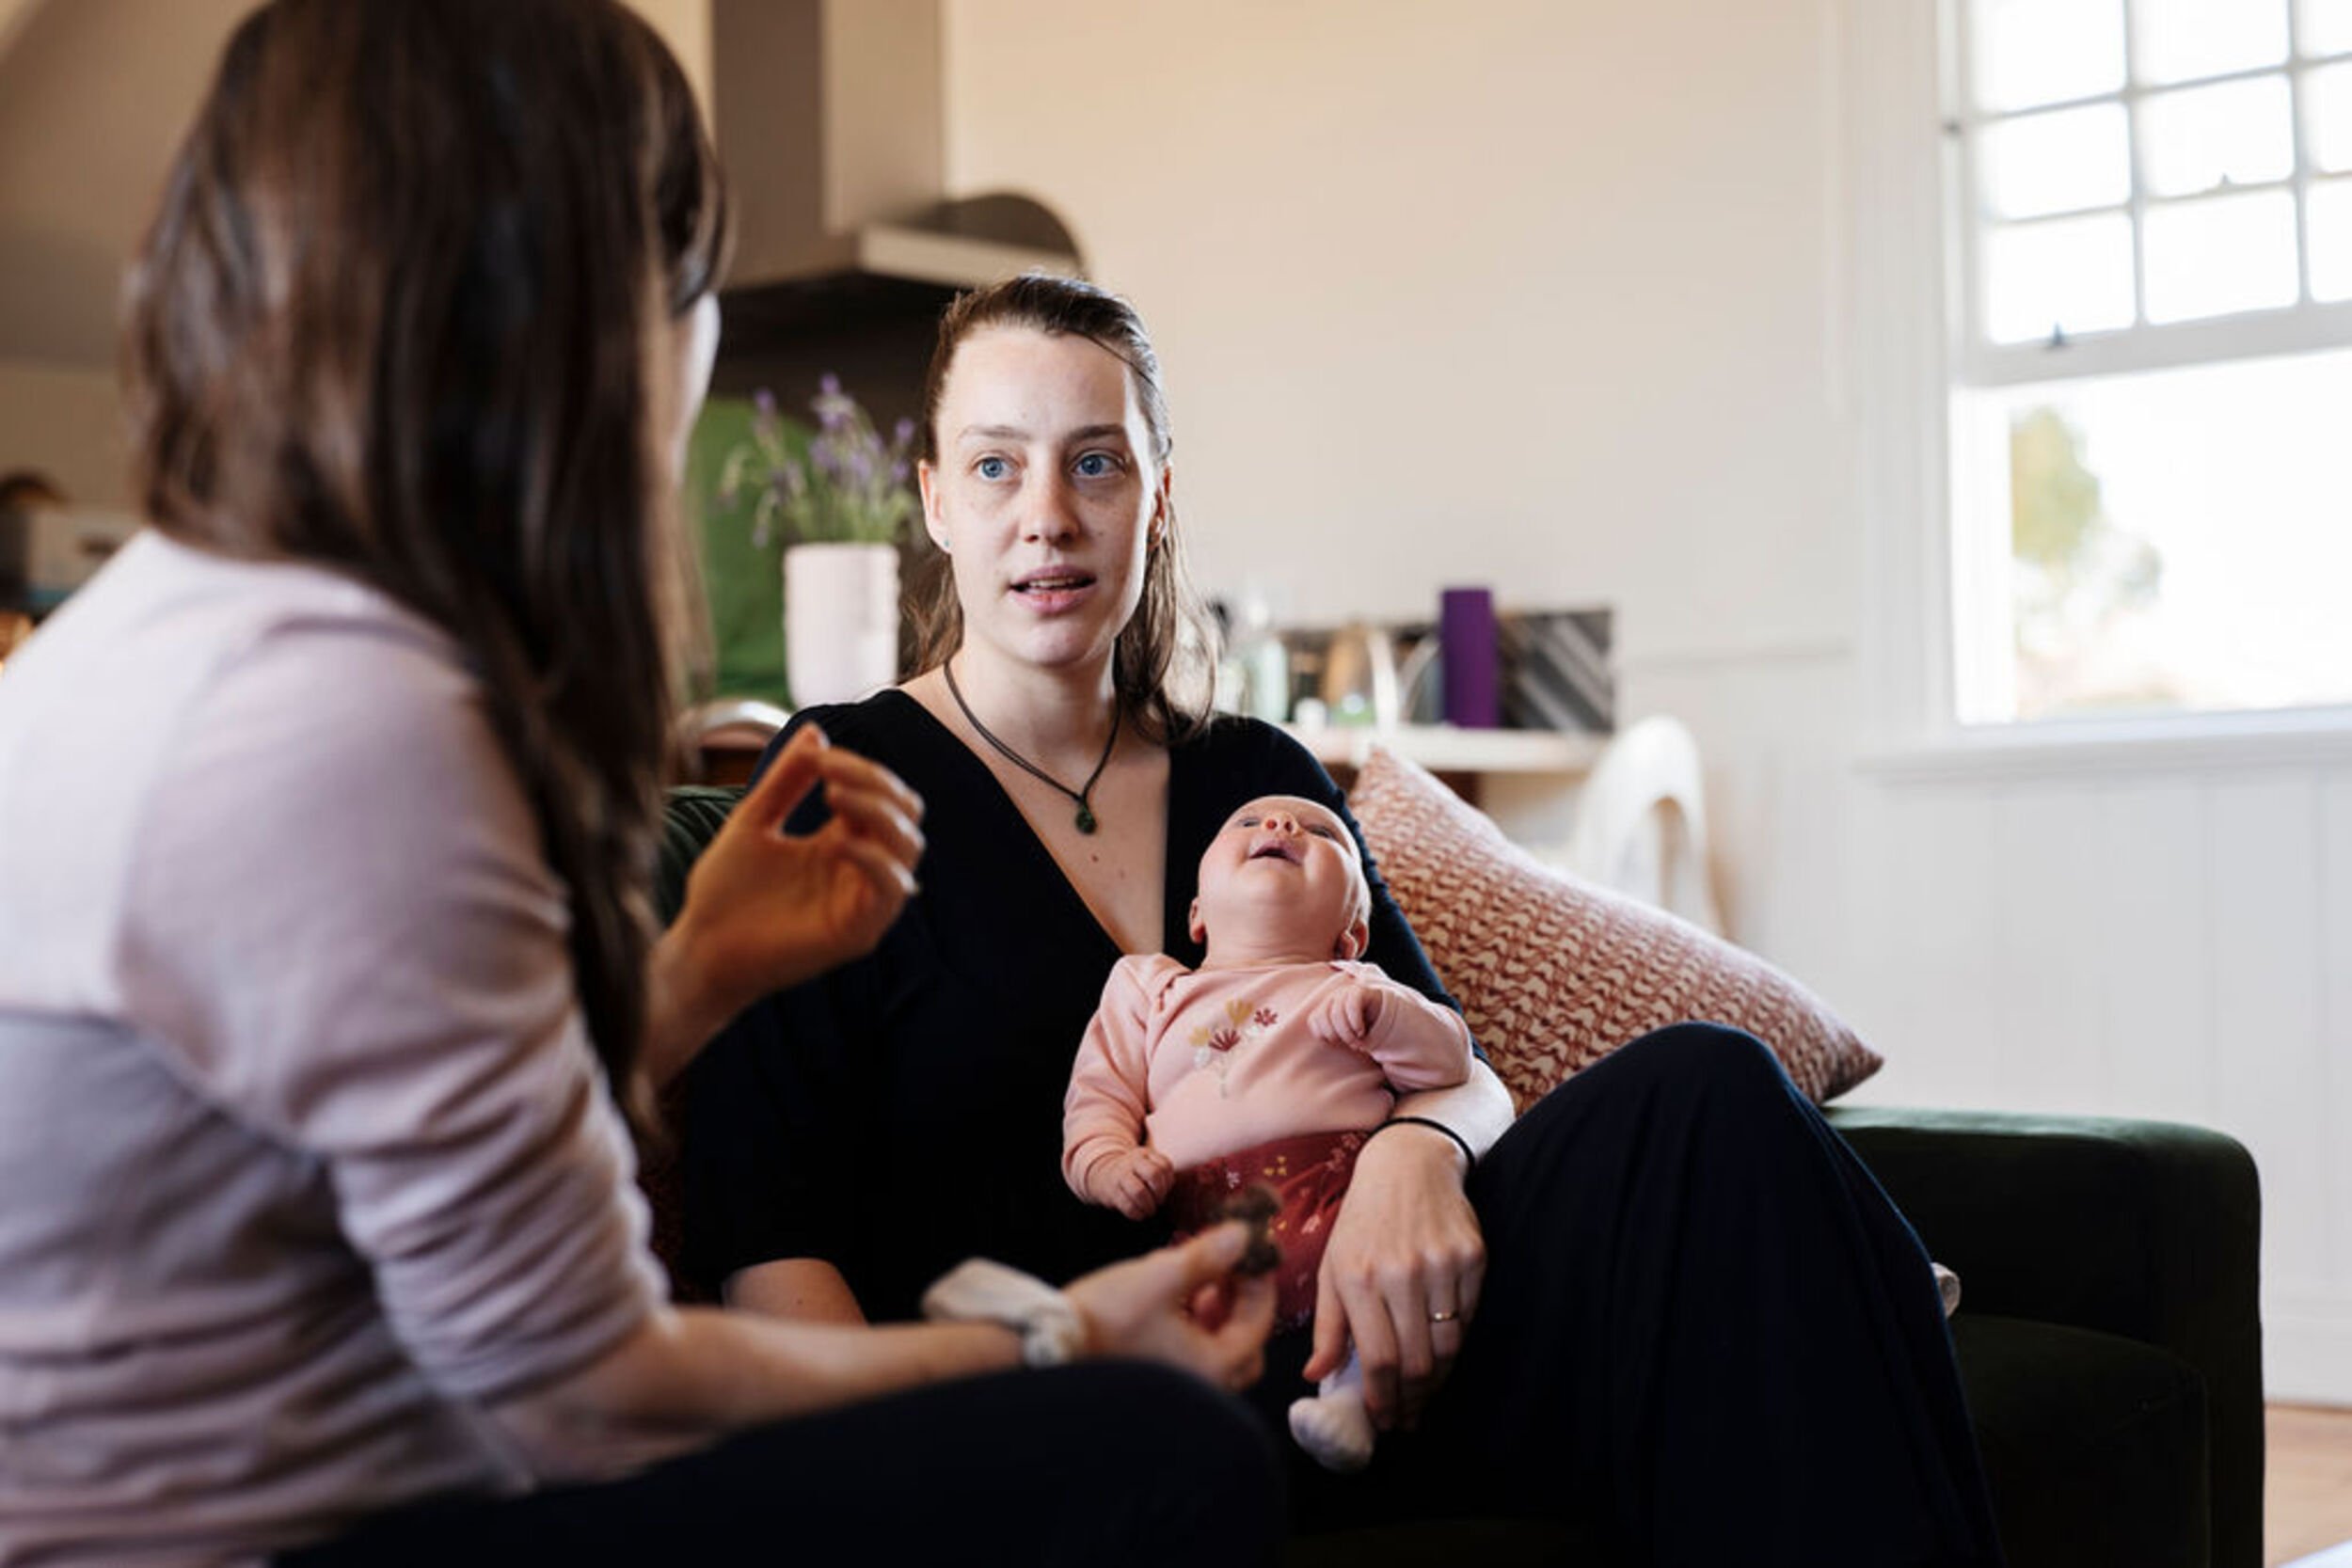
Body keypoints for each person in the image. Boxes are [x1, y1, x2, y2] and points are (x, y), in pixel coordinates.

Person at [0, 6, 1286, 1565]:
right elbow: (587, 1385)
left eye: (1097, 461)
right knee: (1150, 1451)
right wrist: (1061, 1344)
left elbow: (405, 1185)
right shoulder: (344, 722)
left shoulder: (188, 626)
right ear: (597, 314)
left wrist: (687, 976)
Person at [686, 270, 2007, 1564]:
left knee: (1705, 1088)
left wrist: (1410, 1159)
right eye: (994, 466)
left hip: (1377, 1339)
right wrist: (892, 1479)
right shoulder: (837, 779)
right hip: (1107, 1402)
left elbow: (1458, 1071)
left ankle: (1857, 1291)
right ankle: (1882, 1291)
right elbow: (766, 1227)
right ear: (933, 502)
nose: (1047, 516)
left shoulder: (1254, 773)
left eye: (1096, 464)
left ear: (1155, 499)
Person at [1063, 791, 1474, 1471]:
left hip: (1341, 1201)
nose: (1279, 825)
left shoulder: (1356, 984)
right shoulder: (1148, 988)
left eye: (1321, 831)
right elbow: (1098, 1096)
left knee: (1365, 1295)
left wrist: (1387, 1016)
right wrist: (1107, 1162)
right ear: (1196, 914)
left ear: (1352, 932)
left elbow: (1450, 1059)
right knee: (1156, 1328)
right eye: (1246, 822)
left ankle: (1347, 1401)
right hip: (1208, 1226)